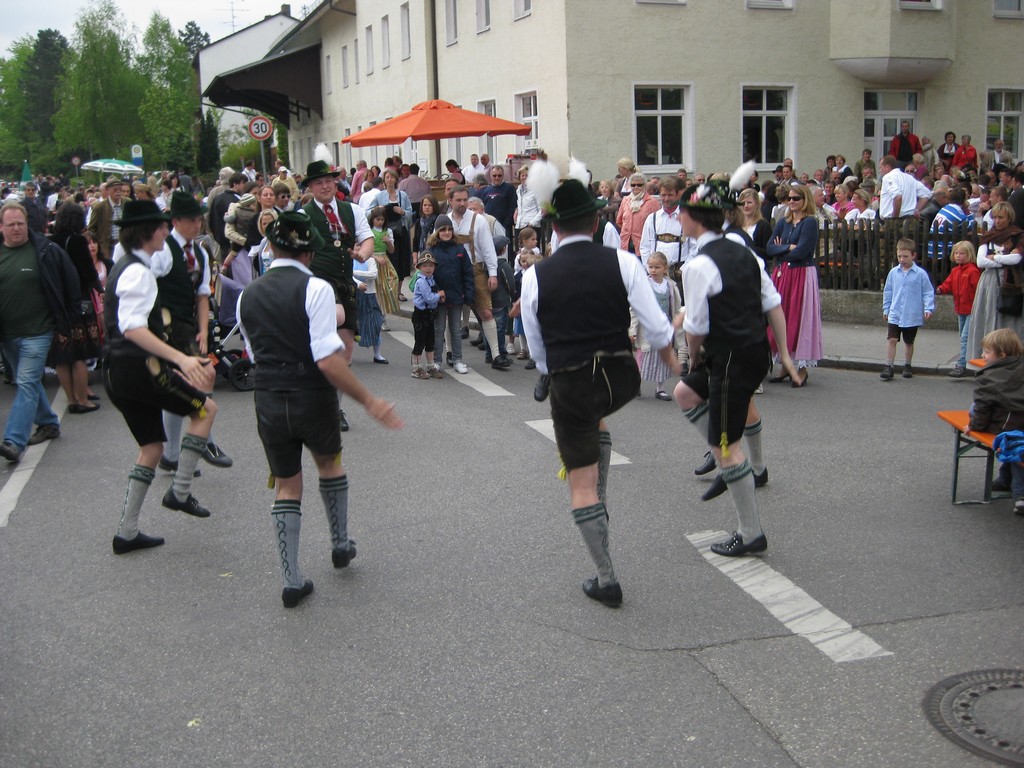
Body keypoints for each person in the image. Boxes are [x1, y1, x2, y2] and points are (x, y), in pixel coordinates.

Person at [520, 167, 680, 608]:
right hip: (620, 378)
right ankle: (598, 486)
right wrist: (675, 368)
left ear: (553, 226)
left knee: (582, 485)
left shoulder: (535, 276)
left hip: (571, 381)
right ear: (595, 223)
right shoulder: (626, 262)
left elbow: (537, 346)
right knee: (596, 414)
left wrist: (548, 368)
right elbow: (657, 328)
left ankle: (606, 578)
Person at [236, 210, 402, 608]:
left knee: (287, 484)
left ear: (271, 247)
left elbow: (253, 350)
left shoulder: (248, 294)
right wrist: (368, 400)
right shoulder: (317, 289)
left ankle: (291, 579)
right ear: (310, 252)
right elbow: (327, 359)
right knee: (329, 464)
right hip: (312, 394)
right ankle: (340, 543)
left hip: (269, 397)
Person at [672, 176, 794, 557]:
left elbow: (696, 327)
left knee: (725, 445)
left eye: (682, 212)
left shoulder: (696, 265)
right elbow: (771, 303)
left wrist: (693, 355)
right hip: (753, 352)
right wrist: (784, 354)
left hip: (729, 359)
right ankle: (731, 468)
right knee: (685, 393)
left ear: (694, 217)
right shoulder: (745, 251)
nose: (678, 218)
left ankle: (750, 531)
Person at [103, 200, 218, 554]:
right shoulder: (137, 271)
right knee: (205, 410)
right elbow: (133, 328)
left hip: (118, 371)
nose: (167, 230)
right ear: (151, 231)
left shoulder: (127, 266)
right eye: (162, 226)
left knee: (151, 447)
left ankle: (127, 530)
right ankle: (180, 491)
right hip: (140, 369)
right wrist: (180, 358)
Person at [155, 191, 233, 472]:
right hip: (164, 328)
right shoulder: (162, 251)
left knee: (187, 384)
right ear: (175, 221)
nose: (197, 224)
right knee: (199, 378)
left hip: (189, 328)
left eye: (199, 219)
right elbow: (148, 288)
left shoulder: (199, 251)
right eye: (191, 220)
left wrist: (203, 330)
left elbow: (202, 296)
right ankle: (204, 444)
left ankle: (173, 454)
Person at [0, 203, 79, 462]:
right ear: (1, 227)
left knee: (25, 382)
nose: (16, 229)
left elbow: (69, 283)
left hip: (39, 331)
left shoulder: (46, 251)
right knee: (30, 383)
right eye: (10, 224)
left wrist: (69, 320)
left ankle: (14, 440)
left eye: (20, 224)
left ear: (27, 224)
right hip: (8, 335)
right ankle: (48, 422)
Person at [302, 159, 375, 432]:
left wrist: (363, 254)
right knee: (337, 319)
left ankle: (334, 409)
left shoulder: (352, 210)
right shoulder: (303, 215)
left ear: (335, 182)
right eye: (318, 182)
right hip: (317, 282)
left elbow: (367, 240)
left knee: (344, 352)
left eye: (328, 181)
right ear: (310, 187)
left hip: (345, 282)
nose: (324, 186)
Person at [447, 185, 510, 368]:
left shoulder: (478, 220)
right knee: (452, 314)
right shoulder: (445, 221)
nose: (462, 203)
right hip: (453, 272)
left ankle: (496, 355)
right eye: (458, 200)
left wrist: (492, 274)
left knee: (486, 311)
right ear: (450, 201)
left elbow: (489, 250)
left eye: (465, 200)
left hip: (476, 270)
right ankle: (450, 352)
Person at [49, 202, 102, 413]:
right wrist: (99, 288)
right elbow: (88, 272)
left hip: (56, 301)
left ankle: (71, 399)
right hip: (79, 300)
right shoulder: (78, 242)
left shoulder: (51, 241)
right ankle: (82, 399)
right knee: (80, 353)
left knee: (63, 354)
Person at [966, 329, 1024, 514]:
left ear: (1002, 355)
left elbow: (983, 409)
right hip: (1017, 420)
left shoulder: (990, 377)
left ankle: (1020, 494)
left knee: (1014, 445)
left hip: (1007, 425)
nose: (982, 355)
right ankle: (1005, 480)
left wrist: (973, 426)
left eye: (987, 352)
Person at [766, 184, 820, 382]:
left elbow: (802, 252)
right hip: (782, 274)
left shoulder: (810, 223)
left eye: (796, 198)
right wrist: (788, 247)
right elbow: (770, 248)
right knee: (782, 320)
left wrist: (784, 249)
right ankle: (785, 366)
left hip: (801, 274)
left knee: (800, 319)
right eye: (789, 198)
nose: (791, 202)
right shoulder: (783, 222)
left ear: (805, 199)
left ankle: (802, 369)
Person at [966, 201, 1024, 359]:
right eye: (995, 217)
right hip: (990, 282)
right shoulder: (988, 236)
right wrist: (1004, 259)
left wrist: (996, 257)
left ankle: (1011, 358)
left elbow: (1017, 259)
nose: (997, 221)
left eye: (1001, 217)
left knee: (1010, 321)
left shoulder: (1017, 235)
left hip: (1010, 283)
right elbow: (981, 261)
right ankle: (987, 357)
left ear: (1009, 218)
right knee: (988, 316)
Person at [880, 238, 934, 380]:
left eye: (905, 256)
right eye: (899, 256)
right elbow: (888, 291)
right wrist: (886, 308)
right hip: (895, 312)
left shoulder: (920, 274)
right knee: (892, 339)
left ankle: (907, 364)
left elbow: (927, 292)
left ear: (913, 255)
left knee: (909, 341)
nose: (902, 259)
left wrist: (928, 308)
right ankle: (889, 365)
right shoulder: (893, 273)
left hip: (911, 313)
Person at [427, 214, 474, 375]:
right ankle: (437, 360)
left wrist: (469, 294)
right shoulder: (431, 250)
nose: (446, 232)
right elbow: (426, 274)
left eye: (449, 229)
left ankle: (457, 359)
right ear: (437, 232)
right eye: (443, 230)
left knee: (455, 329)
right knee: (438, 329)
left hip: (456, 295)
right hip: (438, 297)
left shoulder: (459, 249)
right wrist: (434, 293)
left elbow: (467, 273)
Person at [630, 252, 682, 401]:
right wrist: (632, 329)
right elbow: (635, 308)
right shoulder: (644, 284)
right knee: (643, 356)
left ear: (665, 268)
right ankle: (636, 384)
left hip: (664, 326)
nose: (653, 270)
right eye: (650, 267)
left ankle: (660, 388)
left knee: (662, 357)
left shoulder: (670, 285)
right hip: (647, 326)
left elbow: (676, 306)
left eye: (657, 267)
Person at [935, 241, 981, 378]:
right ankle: (967, 362)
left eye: (962, 253)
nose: (958, 256)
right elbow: (948, 284)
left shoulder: (973, 271)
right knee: (963, 337)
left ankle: (961, 365)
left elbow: (977, 289)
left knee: (965, 337)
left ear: (969, 255)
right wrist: (940, 289)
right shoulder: (956, 271)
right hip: (960, 309)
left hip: (971, 309)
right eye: (956, 253)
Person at [353, 211, 388, 365]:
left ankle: (377, 354)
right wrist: (356, 281)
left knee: (375, 322)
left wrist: (354, 273)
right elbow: (346, 275)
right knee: (349, 325)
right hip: (353, 295)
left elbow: (373, 274)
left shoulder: (370, 259)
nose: (359, 247)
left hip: (369, 294)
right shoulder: (349, 259)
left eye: (362, 244)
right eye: (357, 245)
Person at [410, 252, 440, 379]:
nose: (428, 268)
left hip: (429, 314)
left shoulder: (432, 279)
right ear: (419, 267)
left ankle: (430, 366)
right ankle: (416, 368)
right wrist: (440, 295)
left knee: (430, 341)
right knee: (420, 342)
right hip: (420, 314)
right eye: (425, 266)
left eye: (431, 266)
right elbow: (428, 298)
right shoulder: (422, 282)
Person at [615, 173, 658, 254]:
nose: (636, 187)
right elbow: (619, 221)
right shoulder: (625, 200)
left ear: (644, 186)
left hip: (643, 246)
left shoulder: (652, 202)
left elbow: (657, 223)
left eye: (639, 185)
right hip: (625, 245)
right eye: (633, 185)